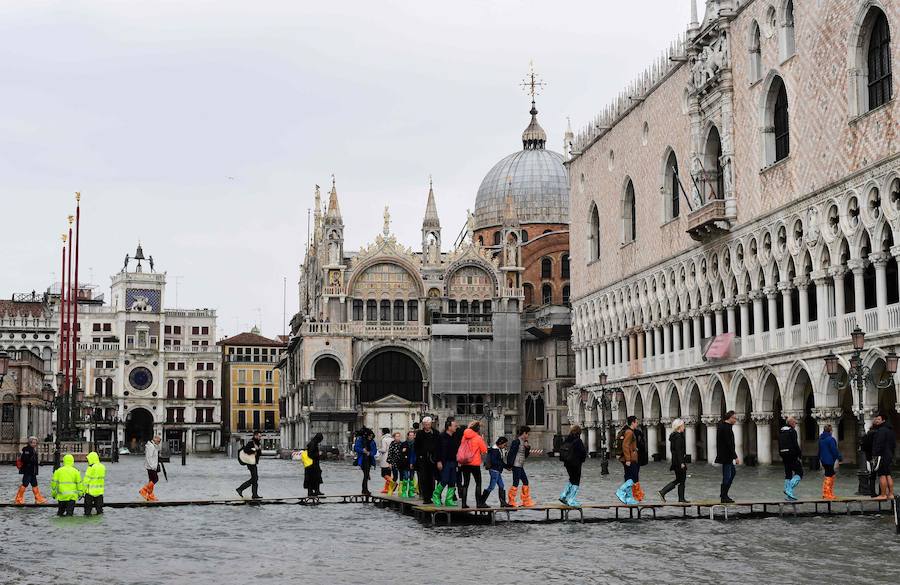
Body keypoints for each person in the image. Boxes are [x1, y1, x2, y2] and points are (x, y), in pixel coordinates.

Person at [507, 425, 541, 508]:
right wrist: (510, 465)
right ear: (524, 433)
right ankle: (511, 501)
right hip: (516, 465)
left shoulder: (524, 442)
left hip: (520, 465)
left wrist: (527, 448)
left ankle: (526, 501)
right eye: (528, 434)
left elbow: (525, 455)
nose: (528, 436)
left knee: (525, 482)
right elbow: (511, 454)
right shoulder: (516, 442)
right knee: (516, 483)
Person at [457, 421, 488, 508]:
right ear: (478, 429)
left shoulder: (464, 436)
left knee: (465, 483)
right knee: (478, 483)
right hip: (474, 464)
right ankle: (478, 503)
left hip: (465, 463)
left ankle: (463, 504)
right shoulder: (478, 438)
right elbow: (484, 450)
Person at [658, 419, 688, 503]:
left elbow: (674, 450)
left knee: (679, 479)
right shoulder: (678, 437)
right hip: (679, 461)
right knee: (681, 479)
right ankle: (664, 492)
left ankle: (680, 498)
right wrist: (682, 462)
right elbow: (678, 450)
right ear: (679, 426)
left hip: (676, 461)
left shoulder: (674, 436)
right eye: (683, 425)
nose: (684, 427)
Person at [432, 418, 460, 506]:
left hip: (453, 461)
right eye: (454, 426)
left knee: (452, 481)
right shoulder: (441, 436)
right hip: (444, 462)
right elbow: (437, 450)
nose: (456, 427)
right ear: (449, 427)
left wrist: (458, 461)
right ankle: (436, 495)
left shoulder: (455, 436)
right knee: (444, 480)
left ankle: (449, 500)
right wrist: (438, 461)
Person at [414, 416, 440, 504]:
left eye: (428, 424)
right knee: (424, 478)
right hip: (423, 459)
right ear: (423, 425)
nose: (427, 426)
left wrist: (437, 457)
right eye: (425, 424)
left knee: (432, 479)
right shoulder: (419, 434)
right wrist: (419, 456)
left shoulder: (436, 433)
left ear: (431, 424)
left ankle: (433, 495)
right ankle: (426, 497)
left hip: (433, 459)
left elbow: (438, 446)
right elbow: (416, 446)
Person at [559, 425, 587, 507]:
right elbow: (583, 452)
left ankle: (564, 495)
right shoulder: (578, 441)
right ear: (579, 433)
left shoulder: (567, 439)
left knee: (571, 479)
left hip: (567, 463)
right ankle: (571, 500)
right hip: (576, 463)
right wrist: (582, 460)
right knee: (576, 481)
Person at [614, 416, 640, 505]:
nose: (637, 423)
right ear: (632, 423)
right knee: (633, 477)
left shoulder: (626, 431)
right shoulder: (629, 432)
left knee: (628, 477)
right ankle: (620, 491)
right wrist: (628, 459)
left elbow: (628, 445)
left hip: (627, 458)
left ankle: (629, 498)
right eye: (636, 422)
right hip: (630, 459)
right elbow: (625, 445)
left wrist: (634, 448)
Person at [715, 411, 739, 503]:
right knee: (727, 476)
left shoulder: (725, 426)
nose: (735, 420)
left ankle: (724, 494)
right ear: (730, 418)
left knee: (732, 473)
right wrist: (735, 457)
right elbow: (729, 444)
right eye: (734, 418)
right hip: (726, 456)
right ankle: (724, 496)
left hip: (726, 455)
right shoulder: (725, 428)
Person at [15, 436, 47, 505]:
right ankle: (18, 499)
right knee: (25, 484)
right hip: (28, 470)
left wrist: (38, 463)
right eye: (33, 443)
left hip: (33, 471)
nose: (35, 444)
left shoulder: (32, 449)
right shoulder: (27, 450)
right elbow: (24, 459)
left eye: (35, 443)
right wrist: (33, 462)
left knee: (35, 484)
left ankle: (38, 499)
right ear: (30, 443)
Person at [872, 413, 896, 500]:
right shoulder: (891, 430)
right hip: (889, 455)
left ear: (883, 420)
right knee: (888, 474)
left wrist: (875, 454)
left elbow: (879, 444)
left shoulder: (881, 430)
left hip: (882, 455)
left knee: (882, 475)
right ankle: (891, 494)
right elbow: (893, 445)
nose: (877, 421)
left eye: (878, 419)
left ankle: (883, 494)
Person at [778, 416, 803, 501]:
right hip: (792, 454)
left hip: (783, 454)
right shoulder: (792, 431)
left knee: (788, 473)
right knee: (799, 472)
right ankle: (788, 489)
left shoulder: (781, 431)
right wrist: (800, 454)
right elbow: (795, 444)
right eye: (795, 422)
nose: (796, 424)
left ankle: (789, 495)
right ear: (791, 423)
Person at [482, 436, 509, 507]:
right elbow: (495, 461)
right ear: (500, 443)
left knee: (501, 485)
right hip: (494, 471)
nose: (505, 446)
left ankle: (503, 503)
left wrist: (506, 467)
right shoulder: (495, 450)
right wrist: (503, 465)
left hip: (497, 471)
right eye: (504, 444)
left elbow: (500, 461)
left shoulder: (497, 449)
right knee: (491, 487)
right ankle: (481, 502)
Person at [817, 423, 841, 501]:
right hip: (829, 460)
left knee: (829, 475)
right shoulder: (831, 439)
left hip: (823, 460)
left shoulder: (821, 439)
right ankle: (827, 494)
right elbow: (834, 450)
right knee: (830, 476)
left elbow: (819, 450)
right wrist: (839, 457)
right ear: (830, 431)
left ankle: (827, 493)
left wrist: (819, 458)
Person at [237, 431, 263, 500]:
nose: (260, 437)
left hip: (253, 462)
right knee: (255, 478)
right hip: (250, 463)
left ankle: (254, 494)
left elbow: (259, 454)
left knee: (255, 478)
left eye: (260, 436)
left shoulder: (258, 443)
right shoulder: (251, 442)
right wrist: (254, 450)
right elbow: (246, 450)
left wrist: (258, 450)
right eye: (259, 436)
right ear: (255, 436)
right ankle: (240, 489)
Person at [353, 428, 378, 495]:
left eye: (372, 436)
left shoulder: (372, 441)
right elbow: (356, 448)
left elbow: (375, 450)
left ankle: (364, 489)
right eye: (370, 436)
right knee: (366, 474)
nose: (370, 437)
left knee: (366, 475)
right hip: (363, 459)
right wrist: (363, 450)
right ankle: (365, 490)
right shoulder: (360, 440)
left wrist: (370, 453)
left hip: (369, 460)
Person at [83, 451, 106, 515]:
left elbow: (86, 481)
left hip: (90, 493)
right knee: (100, 511)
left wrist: (82, 491)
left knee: (87, 511)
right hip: (99, 493)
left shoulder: (90, 468)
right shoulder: (102, 467)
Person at [140, 435, 162, 502]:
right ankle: (144, 490)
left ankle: (150, 495)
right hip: (151, 467)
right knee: (155, 479)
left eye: (160, 441)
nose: (159, 442)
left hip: (152, 466)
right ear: (154, 440)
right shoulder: (151, 446)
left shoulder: (153, 446)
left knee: (151, 481)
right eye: (158, 441)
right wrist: (152, 466)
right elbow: (149, 457)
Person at [303, 433, 324, 497]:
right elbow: (310, 454)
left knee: (312, 478)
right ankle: (315, 491)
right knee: (315, 477)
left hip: (311, 465)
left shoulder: (313, 443)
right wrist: (318, 454)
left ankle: (312, 492)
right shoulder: (313, 444)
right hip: (312, 465)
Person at [632, 424, 649, 502]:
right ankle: (635, 494)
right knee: (634, 476)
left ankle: (636, 494)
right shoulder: (636, 433)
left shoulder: (635, 432)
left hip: (634, 457)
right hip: (634, 457)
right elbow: (642, 445)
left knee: (633, 476)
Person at [398, 430, 416, 498]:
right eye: (410, 435)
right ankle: (404, 491)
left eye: (412, 435)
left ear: (414, 436)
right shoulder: (404, 443)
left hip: (413, 463)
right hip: (405, 463)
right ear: (408, 436)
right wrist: (402, 452)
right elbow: (400, 453)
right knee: (405, 477)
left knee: (411, 477)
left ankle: (411, 491)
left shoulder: (415, 444)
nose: (411, 437)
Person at [386, 432, 403, 496]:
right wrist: (389, 463)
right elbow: (390, 453)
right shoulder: (392, 444)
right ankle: (391, 489)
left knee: (402, 476)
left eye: (399, 436)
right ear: (394, 437)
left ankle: (400, 490)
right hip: (394, 462)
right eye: (396, 436)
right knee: (395, 476)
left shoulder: (402, 444)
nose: (398, 437)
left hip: (401, 462)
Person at [378, 428, 394, 495]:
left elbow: (384, 449)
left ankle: (392, 482)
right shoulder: (392, 439)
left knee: (384, 474)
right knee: (389, 473)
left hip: (385, 458)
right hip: (392, 458)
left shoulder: (384, 439)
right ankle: (388, 489)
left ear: (383, 432)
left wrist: (379, 449)